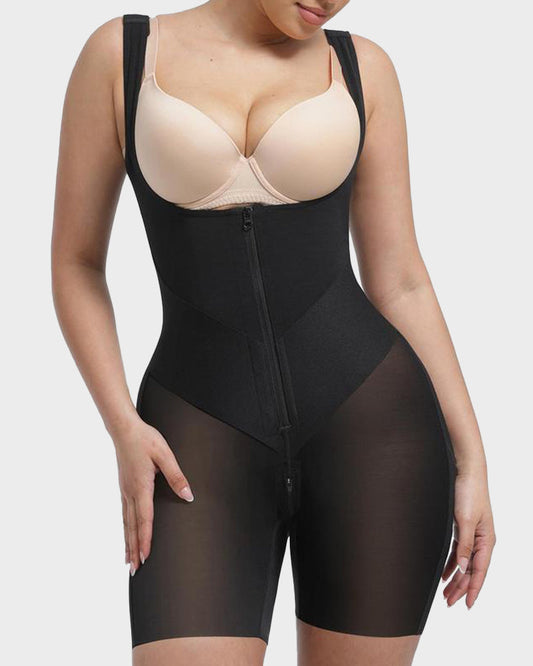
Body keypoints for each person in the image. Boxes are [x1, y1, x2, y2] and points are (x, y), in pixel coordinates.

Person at [51, 2, 496, 665]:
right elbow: (76, 263)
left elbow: (400, 281)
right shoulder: (122, 54)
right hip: (195, 435)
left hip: (375, 431)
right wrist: (122, 425)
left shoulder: (361, 67)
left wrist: (472, 458)